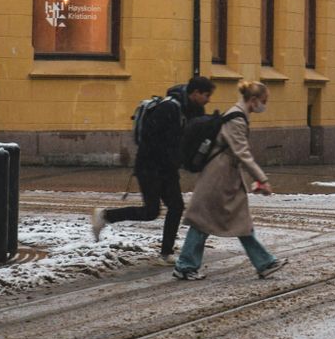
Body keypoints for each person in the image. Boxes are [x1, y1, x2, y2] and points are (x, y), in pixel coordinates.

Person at [91, 76, 215, 265]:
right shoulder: (169, 107)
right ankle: (105, 216)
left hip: (167, 168)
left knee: (176, 206)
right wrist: (168, 156)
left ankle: (165, 254)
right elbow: (152, 137)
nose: (208, 99)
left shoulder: (192, 110)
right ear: (195, 93)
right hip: (150, 167)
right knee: (151, 211)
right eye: (206, 95)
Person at [172, 80, 287, 281]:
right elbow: (242, 152)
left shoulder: (237, 114)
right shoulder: (237, 119)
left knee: (233, 220)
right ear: (253, 100)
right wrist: (262, 179)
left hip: (225, 175)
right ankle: (185, 265)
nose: (264, 105)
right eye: (264, 101)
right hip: (220, 176)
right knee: (203, 220)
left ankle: (264, 262)